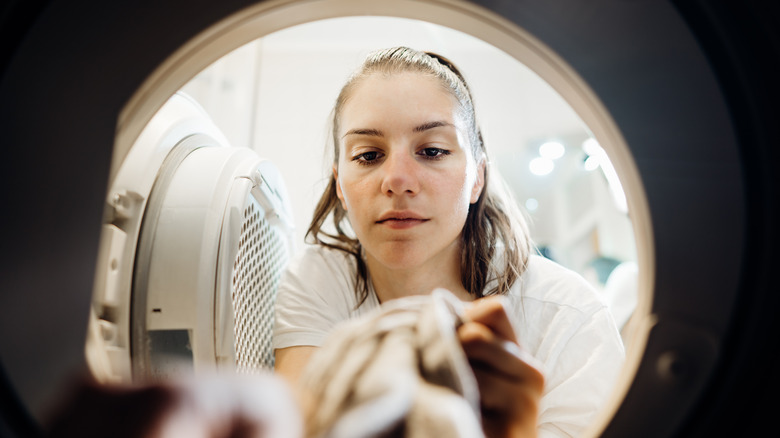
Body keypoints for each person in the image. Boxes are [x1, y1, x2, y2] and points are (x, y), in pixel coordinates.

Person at [273, 47, 624, 437]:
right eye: (369, 155)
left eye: (433, 151)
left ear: (477, 177)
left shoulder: (568, 319)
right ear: (340, 183)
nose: (397, 180)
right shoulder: (320, 281)